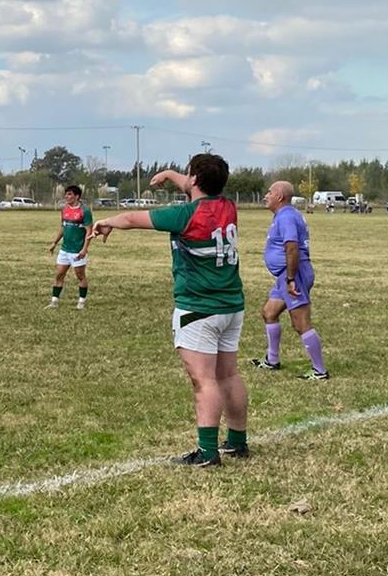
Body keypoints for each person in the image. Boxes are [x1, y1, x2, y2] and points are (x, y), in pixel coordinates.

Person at [89, 154, 248, 467]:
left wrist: (106, 222)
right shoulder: (229, 207)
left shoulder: (185, 215)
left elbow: (133, 219)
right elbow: (197, 184)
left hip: (199, 308)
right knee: (228, 375)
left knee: (204, 381)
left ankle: (207, 452)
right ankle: (237, 442)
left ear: (195, 181)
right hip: (231, 305)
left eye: (187, 176)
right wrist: (171, 173)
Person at [252, 181, 329, 381]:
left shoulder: (286, 216)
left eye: (269, 192)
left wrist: (291, 279)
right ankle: (272, 360)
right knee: (269, 312)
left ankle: (319, 371)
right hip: (284, 275)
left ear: (279, 197)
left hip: (293, 274)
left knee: (300, 322)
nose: (266, 196)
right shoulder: (284, 215)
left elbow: (292, 248)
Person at [46, 185, 93, 310]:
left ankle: (81, 302)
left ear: (77, 196)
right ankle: (54, 302)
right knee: (59, 275)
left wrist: (84, 249)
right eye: (66, 194)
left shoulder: (85, 211)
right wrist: (54, 243)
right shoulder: (65, 209)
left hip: (77, 250)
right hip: (65, 250)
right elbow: (63, 227)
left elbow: (89, 232)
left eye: (70, 194)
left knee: (80, 276)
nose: (67, 196)